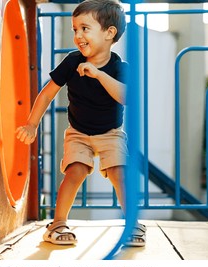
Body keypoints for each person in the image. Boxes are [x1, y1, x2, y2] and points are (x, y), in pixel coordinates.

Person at [16, 0, 146, 247]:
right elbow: (47, 93)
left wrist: (99, 74)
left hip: (110, 133)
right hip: (78, 132)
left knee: (119, 172)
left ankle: (131, 224)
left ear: (109, 33)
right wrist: (32, 124)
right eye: (75, 29)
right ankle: (57, 224)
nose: (78, 35)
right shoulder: (72, 62)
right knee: (74, 171)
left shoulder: (119, 67)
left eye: (85, 28)